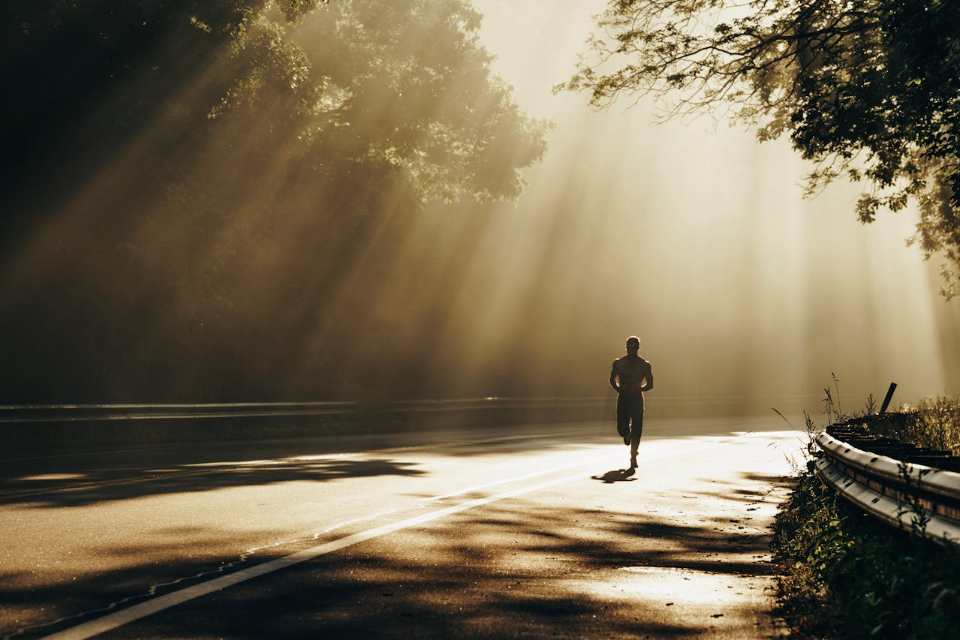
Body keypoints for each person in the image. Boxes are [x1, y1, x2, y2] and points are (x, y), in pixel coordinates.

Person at [609, 336, 654, 469]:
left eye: (633, 346)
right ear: (627, 347)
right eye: (630, 346)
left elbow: (650, 384)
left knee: (637, 428)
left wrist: (638, 388)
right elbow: (612, 379)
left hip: (634, 397)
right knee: (623, 426)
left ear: (637, 348)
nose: (631, 349)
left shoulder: (644, 364)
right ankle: (627, 437)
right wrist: (619, 388)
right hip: (625, 396)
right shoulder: (619, 363)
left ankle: (633, 456)